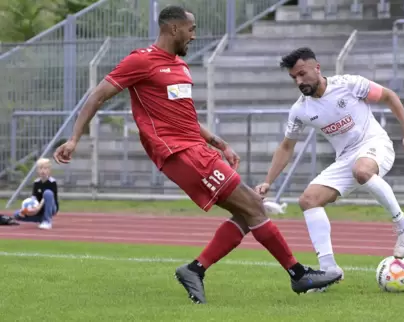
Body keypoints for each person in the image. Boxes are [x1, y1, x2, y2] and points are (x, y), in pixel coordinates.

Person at [52, 6, 342, 304]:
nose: (194, 35)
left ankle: (195, 269)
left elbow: (186, 118)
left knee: (247, 214)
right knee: (254, 205)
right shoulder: (141, 61)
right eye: (191, 29)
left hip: (198, 149)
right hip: (179, 153)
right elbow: (97, 95)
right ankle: (298, 275)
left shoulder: (181, 67)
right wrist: (74, 138)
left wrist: (219, 143)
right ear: (173, 29)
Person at [255, 47, 404, 291]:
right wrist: (268, 181)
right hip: (346, 159)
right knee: (308, 200)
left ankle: (403, 225)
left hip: (375, 145)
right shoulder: (300, 110)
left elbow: (388, 96)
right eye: (294, 78)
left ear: (317, 68)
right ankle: (329, 269)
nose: (299, 81)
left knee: (362, 171)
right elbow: (286, 147)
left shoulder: (350, 84)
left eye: (302, 74)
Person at [13, 158, 59, 229]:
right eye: (40, 168)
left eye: (45, 168)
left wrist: (38, 207)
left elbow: (46, 197)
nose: (43, 170)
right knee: (16, 214)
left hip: (51, 207)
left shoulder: (52, 182)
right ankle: (41, 219)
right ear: (37, 170)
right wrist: (27, 210)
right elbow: (34, 198)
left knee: (47, 193)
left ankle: (47, 221)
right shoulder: (36, 182)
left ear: (49, 170)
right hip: (38, 209)